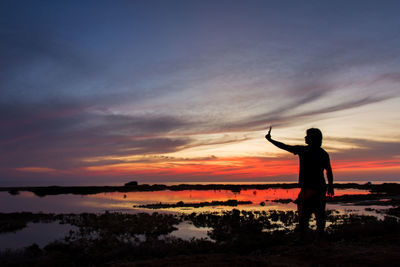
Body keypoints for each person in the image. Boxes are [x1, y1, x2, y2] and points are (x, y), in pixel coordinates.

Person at [265, 127, 334, 237]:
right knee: (320, 216)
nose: (305, 138)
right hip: (320, 188)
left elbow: (285, 147)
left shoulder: (305, 150)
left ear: (312, 139)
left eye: (307, 136)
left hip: (308, 189)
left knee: (304, 217)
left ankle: (306, 238)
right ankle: (319, 238)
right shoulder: (323, 153)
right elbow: (329, 171)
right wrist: (330, 186)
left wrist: (270, 140)